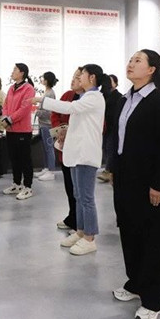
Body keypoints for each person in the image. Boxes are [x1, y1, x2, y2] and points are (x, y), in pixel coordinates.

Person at [110, 50, 160, 319]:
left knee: (153, 239)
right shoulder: (125, 99)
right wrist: (114, 168)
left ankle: (154, 299)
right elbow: (117, 138)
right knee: (130, 232)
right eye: (131, 60)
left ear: (151, 70)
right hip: (126, 179)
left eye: (138, 61)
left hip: (150, 183)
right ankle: (136, 282)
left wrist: (159, 184)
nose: (131, 63)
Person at [33, 64, 107, 256]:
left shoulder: (94, 97)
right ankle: (81, 231)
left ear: (91, 77)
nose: (78, 77)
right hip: (77, 154)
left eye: (81, 74)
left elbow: (70, 107)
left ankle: (90, 238)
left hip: (85, 155)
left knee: (86, 198)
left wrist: (42, 100)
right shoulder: (85, 97)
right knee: (78, 196)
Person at [1, 63, 36, 200]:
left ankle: (28, 187)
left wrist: (10, 119)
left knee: (25, 159)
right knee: (14, 158)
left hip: (22, 130)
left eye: (15, 69)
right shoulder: (11, 88)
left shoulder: (29, 89)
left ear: (22, 73)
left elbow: (25, 109)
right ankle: (16, 184)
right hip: (11, 129)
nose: (12, 71)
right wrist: (5, 118)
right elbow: (5, 105)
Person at [53, 68, 83, 231]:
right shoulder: (67, 95)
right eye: (73, 76)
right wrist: (60, 130)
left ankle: (81, 225)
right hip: (64, 149)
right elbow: (55, 114)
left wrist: (70, 132)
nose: (73, 80)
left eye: (78, 77)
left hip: (81, 152)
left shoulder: (91, 99)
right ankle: (72, 217)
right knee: (70, 187)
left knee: (81, 191)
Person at [34, 71, 58, 182]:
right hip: (43, 124)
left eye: (43, 78)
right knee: (44, 147)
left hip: (47, 124)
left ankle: (51, 171)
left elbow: (49, 112)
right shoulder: (47, 92)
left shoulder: (50, 94)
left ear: (47, 80)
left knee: (49, 147)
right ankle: (46, 168)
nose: (41, 80)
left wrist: (37, 112)